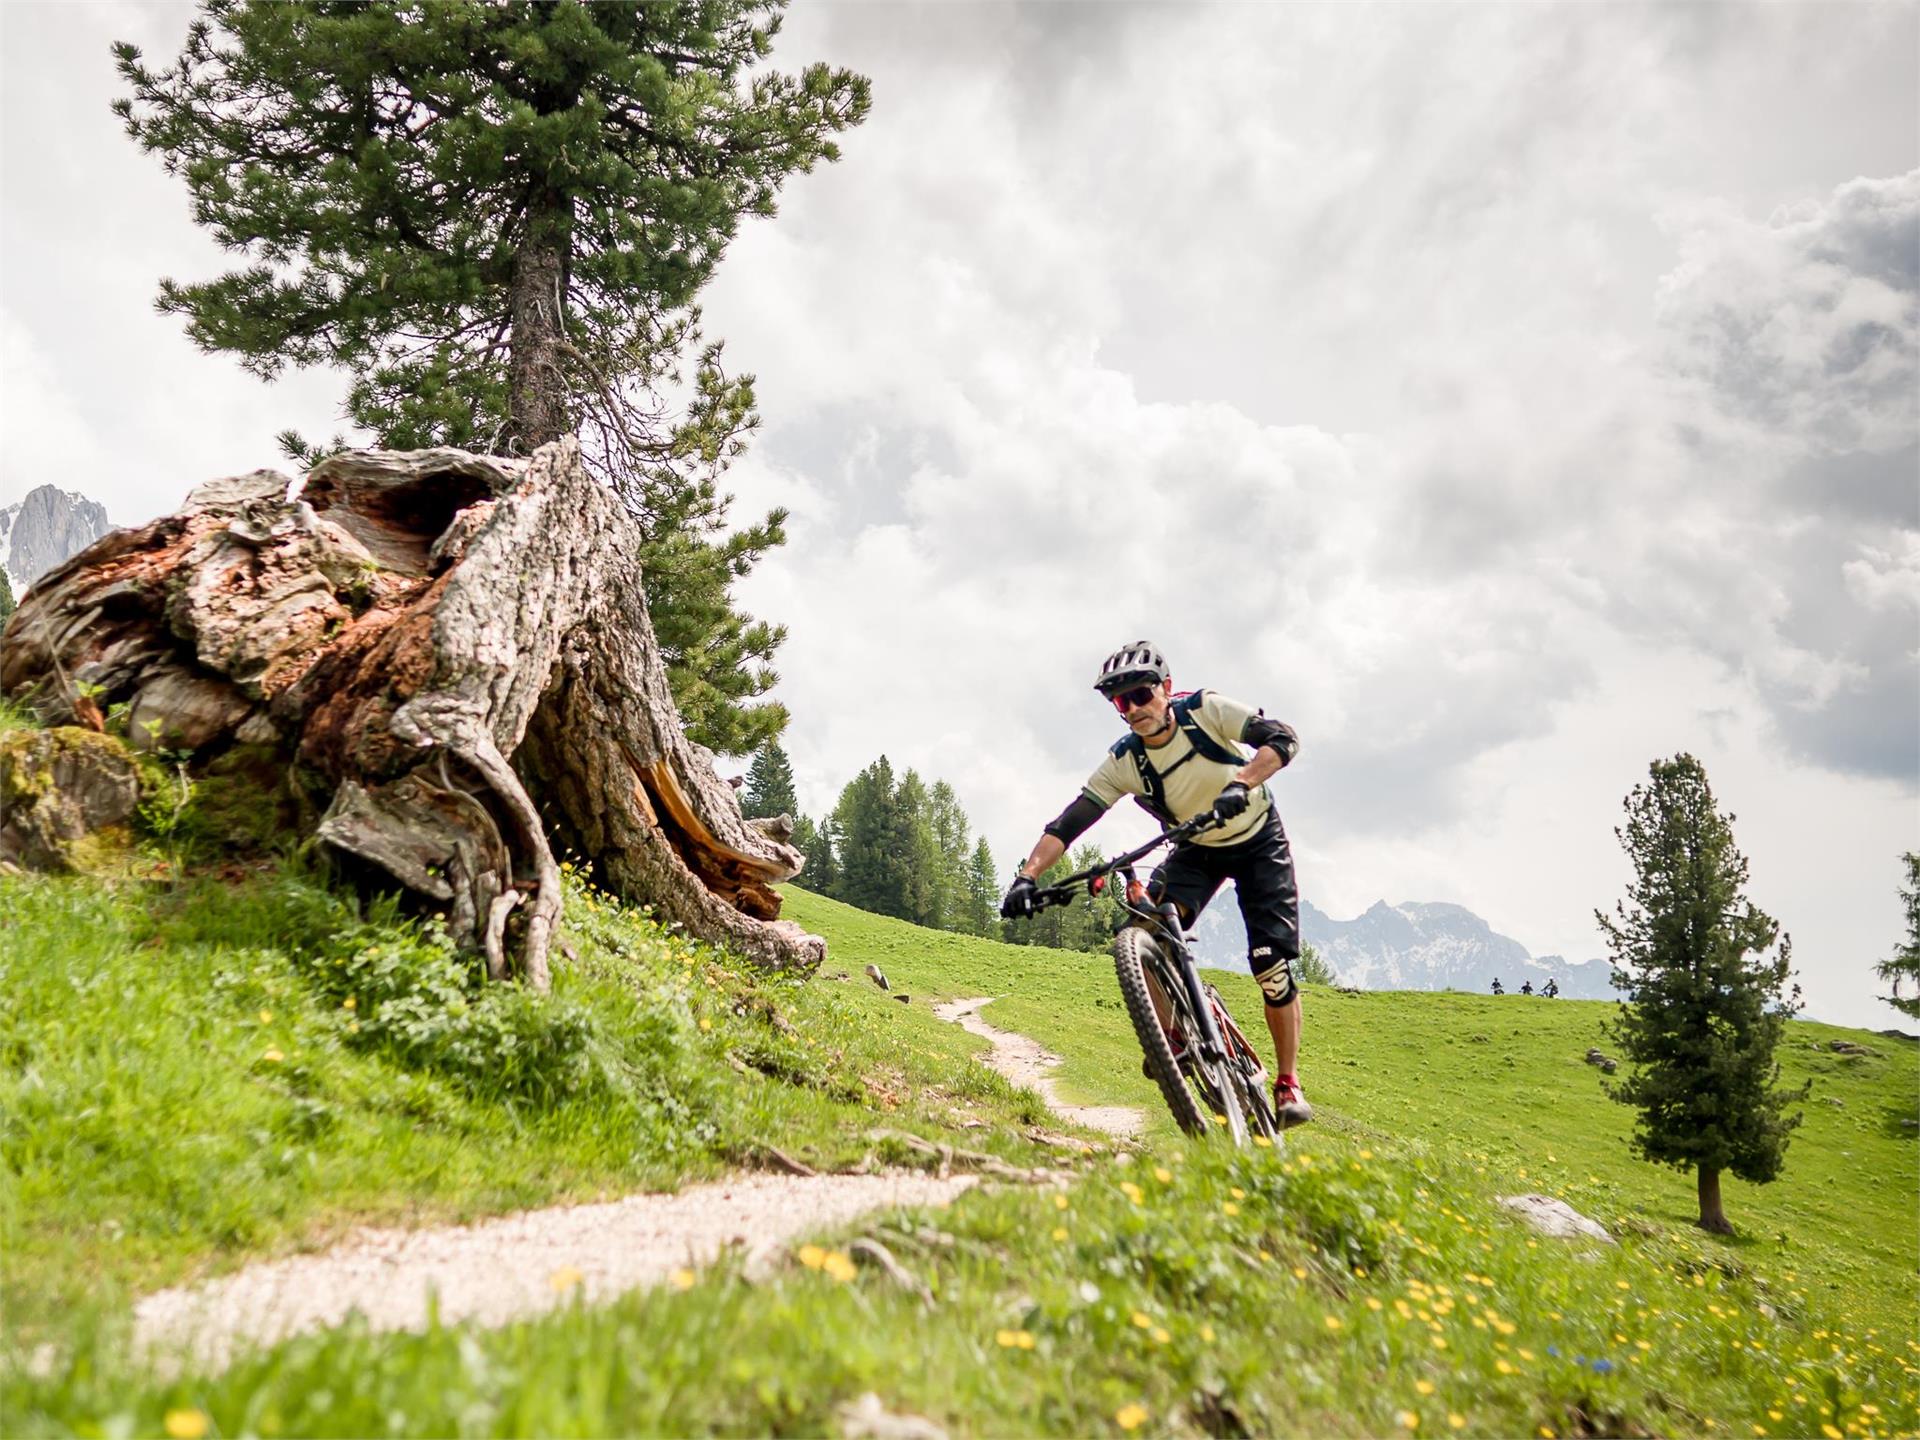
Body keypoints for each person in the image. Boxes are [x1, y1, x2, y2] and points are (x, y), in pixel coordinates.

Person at [1000, 641, 1311, 1128]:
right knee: (1144, 927)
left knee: (1269, 965)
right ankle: (1172, 1037)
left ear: (1165, 689)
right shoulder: (1125, 760)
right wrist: (1026, 877)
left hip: (1257, 841)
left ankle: (1288, 1083)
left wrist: (1242, 783)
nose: (1134, 709)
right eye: (1122, 703)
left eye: (1142, 695)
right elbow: (1068, 823)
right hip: (1196, 848)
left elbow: (1281, 739)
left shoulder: (1205, 712)